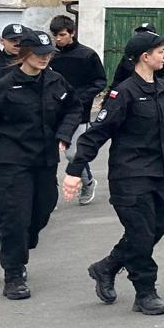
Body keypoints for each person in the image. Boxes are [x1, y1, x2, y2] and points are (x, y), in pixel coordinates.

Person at [64, 30, 164, 316]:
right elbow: (97, 133)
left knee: (158, 227)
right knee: (141, 233)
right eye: (160, 52)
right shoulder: (123, 93)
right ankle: (145, 292)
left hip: (157, 173)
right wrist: (75, 170)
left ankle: (107, 266)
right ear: (145, 57)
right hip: (129, 175)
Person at [0, 31, 83, 299]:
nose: (44, 58)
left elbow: (74, 108)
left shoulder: (56, 81)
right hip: (11, 160)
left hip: (44, 159)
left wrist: (64, 134)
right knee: (16, 217)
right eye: (39, 54)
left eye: (48, 54)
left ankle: (22, 241)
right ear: (24, 53)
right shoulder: (5, 85)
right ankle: (13, 274)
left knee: (43, 209)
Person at [49, 16, 107, 206]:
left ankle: (88, 183)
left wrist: (79, 98)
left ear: (72, 33)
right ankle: (47, 195)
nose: (58, 39)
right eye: (55, 35)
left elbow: (100, 81)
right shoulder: (50, 55)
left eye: (62, 35)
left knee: (73, 154)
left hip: (79, 113)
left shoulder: (87, 55)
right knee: (46, 154)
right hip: (52, 112)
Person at [0, 22, 20, 262]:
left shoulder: (30, 65)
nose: (17, 44)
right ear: (2, 41)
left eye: (21, 41)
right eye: (12, 40)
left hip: (23, 138)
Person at [109, 22, 164, 87]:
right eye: (140, 32)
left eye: (146, 32)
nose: (142, 35)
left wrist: (152, 86)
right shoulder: (129, 56)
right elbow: (118, 78)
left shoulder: (162, 57)